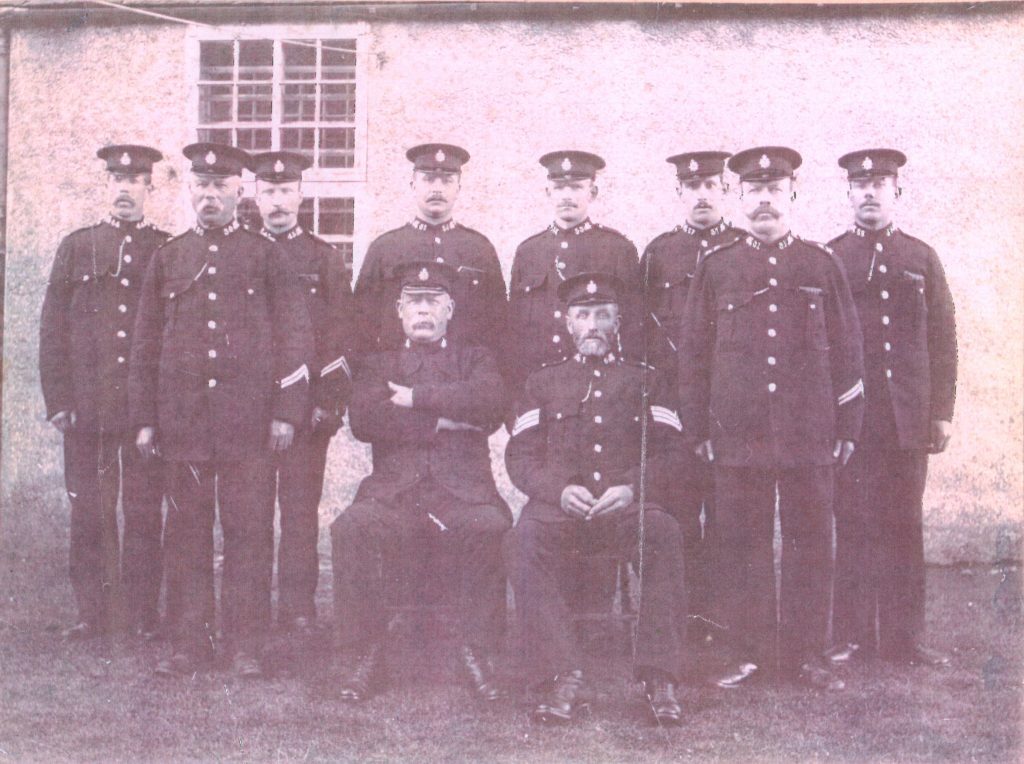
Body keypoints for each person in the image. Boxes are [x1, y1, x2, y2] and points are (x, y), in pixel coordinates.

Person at [677, 146, 865, 691]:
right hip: (738, 433)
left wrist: (847, 426)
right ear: (739, 197)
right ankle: (748, 651)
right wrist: (698, 427)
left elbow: (849, 349)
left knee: (812, 540)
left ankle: (806, 654)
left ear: (793, 195)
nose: (764, 200)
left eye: (775, 190)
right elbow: (694, 353)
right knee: (741, 542)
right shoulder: (717, 268)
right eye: (754, 191)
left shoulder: (820, 265)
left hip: (809, 431)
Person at [129, 143, 313, 678]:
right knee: (186, 531)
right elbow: (146, 343)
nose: (210, 196)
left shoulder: (266, 255)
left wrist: (285, 412)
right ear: (190, 191)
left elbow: (294, 338)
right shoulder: (170, 257)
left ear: (239, 192)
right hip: (184, 421)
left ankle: (244, 644)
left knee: (248, 531)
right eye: (201, 186)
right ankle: (189, 640)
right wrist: (145, 418)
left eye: (220, 187)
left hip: (248, 424)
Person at [505, 272, 688, 726]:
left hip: (628, 510)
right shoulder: (541, 383)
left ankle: (659, 676)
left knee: (664, 532)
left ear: (618, 322)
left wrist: (632, 489)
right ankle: (562, 672)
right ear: (567, 323)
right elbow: (520, 455)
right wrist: (558, 489)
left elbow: (672, 454)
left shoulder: (647, 381)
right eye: (582, 315)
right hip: (560, 510)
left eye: (602, 315)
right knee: (521, 542)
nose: (592, 325)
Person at [330, 261, 511, 704]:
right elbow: (366, 420)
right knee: (350, 528)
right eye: (415, 302)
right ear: (399, 310)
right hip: (397, 493)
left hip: (463, 492)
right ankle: (366, 653)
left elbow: (490, 404)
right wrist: (447, 423)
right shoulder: (379, 363)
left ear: (451, 309)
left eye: (434, 302)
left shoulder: (477, 358)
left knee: (489, 527)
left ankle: (477, 652)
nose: (424, 311)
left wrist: (416, 398)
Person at [825, 148, 957, 667]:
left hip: (908, 416)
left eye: (880, 184)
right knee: (853, 522)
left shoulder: (921, 259)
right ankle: (852, 635)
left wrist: (941, 411)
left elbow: (943, 339)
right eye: (861, 185)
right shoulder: (832, 258)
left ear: (896, 192)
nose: (870, 193)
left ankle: (905, 638)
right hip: (856, 419)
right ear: (849, 194)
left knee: (904, 524)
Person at [39, 144, 170, 642]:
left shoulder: (165, 248)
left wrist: (156, 411)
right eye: (116, 179)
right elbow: (53, 328)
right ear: (105, 185)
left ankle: (140, 614)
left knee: (142, 511)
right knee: (90, 511)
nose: (124, 188)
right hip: (88, 409)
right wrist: (59, 401)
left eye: (135, 180)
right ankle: (92, 612)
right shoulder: (78, 247)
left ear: (149, 188)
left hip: (141, 412)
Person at [639, 150, 744, 643]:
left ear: (726, 192)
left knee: (729, 517)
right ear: (678, 192)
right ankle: (681, 619)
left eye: (711, 186)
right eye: (692, 186)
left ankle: (722, 621)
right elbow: (641, 334)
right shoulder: (660, 253)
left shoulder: (745, 249)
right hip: (672, 409)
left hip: (728, 410)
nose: (702, 194)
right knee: (678, 515)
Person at [251, 150, 357, 635]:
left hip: (308, 412)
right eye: (268, 192)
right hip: (249, 411)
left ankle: (298, 610)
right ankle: (248, 612)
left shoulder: (322, 258)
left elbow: (339, 336)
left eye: (285, 191)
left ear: (300, 195)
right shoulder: (242, 254)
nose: (277, 201)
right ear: (255, 196)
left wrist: (327, 404)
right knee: (249, 513)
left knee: (297, 512)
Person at [507, 151, 641, 396]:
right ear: (548, 192)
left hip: (604, 388)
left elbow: (634, 329)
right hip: (541, 387)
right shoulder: (529, 252)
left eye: (577, 187)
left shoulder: (618, 249)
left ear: (593, 192)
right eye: (559, 187)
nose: (567, 196)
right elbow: (514, 332)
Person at [353, 143, 507, 356]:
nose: (437, 188)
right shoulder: (385, 248)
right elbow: (362, 326)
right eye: (428, 179)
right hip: (399, 376)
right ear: (413, 185)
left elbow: (499, 327)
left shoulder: (480, 249)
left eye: (447, 181)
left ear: (458, 188)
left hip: (463, 378)